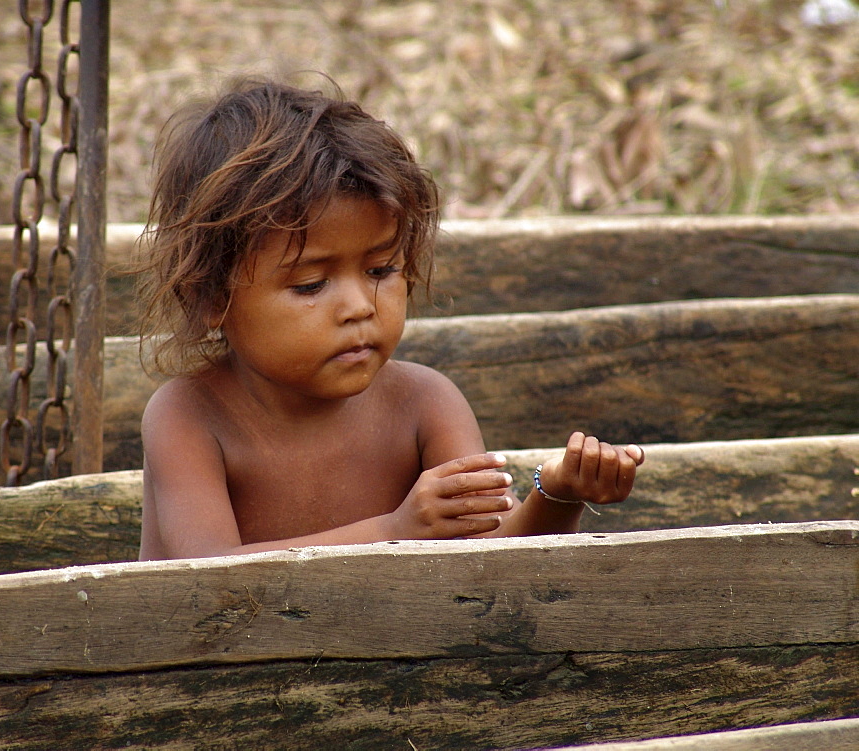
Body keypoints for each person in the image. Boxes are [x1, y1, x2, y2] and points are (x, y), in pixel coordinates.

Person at [134, 77, 644, 560]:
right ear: (208, 298)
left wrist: (556, 494)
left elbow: (489, 556)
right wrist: (392, 532)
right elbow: (204, 577)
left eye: (381, 269)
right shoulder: (189, 416)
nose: (360, 306)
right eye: (311, 284)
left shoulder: (425, 404)